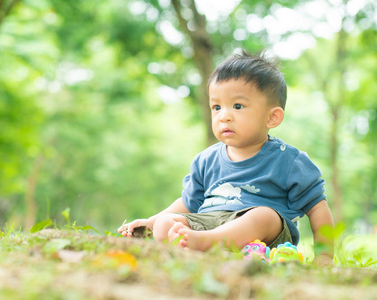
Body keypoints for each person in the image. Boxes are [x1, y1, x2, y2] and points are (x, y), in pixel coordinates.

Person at [118, 50, 334, 255]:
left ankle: (204, 244)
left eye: (238, 106)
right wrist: (151, 221)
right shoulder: (206, 160)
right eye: (217, 107)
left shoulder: (289, 161)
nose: (224, 116)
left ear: (272, 117)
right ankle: (196, 244)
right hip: (207, 222)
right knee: (167, 223)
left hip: (260, 236)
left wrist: (324, 255)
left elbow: (318, 210)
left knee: (264, 215)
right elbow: (187, 203)